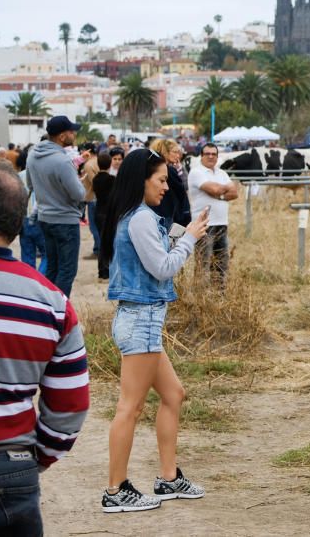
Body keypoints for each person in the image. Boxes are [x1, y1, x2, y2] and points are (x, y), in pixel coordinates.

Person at [98, 149, 209, 513]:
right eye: (161, 179)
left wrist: (181, 234)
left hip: (142, 322)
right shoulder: (141, 219)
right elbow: (162, 268)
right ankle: (116, 491)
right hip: (141, 321)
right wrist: (190, 237)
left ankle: (167, 477)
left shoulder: (135, 215)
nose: (166, 186)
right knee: (129, 407)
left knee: (174, 394)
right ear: (141, 179)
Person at [0, 160, 90, 535]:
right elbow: (70, 407)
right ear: (20, 223)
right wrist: (30, 462)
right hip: (11, 466)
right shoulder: (51, 302)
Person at [26, 116, 87, 296]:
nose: (74, 134)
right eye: (71, 131)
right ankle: (59, 312)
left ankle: (47, 308)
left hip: (45, 218)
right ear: (62, 136)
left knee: (52, 267)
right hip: (65, 221)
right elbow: (79, 194)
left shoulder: (32, 156)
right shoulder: (62, 160)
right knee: (67, 270)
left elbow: (30, 186)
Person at [188, 143, 238, 287]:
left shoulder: (221, 173)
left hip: (222, 223)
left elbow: (234, 193)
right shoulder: (197, 172)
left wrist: (220, 195)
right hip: (204, 225)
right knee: (203, 263)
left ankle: (218, 296)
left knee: (221, 263)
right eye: (207, 154)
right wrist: (223, 189)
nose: (211, 156)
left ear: (217, 156)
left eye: (214, 154)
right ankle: (200, 298)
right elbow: (215, 189)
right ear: (201, 156)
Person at [16, 147, 48, 273]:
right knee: (48, 255)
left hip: (24, 219)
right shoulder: (46, 175)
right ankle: (39, 282)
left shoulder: (18, 176)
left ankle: (29, 285)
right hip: (41, 218)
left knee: (27, 256)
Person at [149, 138, 191, 231]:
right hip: (166, 214)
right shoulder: (168, 171)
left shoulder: (153, 169)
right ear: (165, 152)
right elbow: (182, 191)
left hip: (156, 212)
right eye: (175, 152)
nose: (178, 155)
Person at [93, 151, 116, 280]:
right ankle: (107, 269)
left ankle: (101, 270)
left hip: (98, 211)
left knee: (102, 242)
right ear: (110, 163)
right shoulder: (112, 179)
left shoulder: (95, 179)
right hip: (108, 213)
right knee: (109, 242)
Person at [80, 142, 102, 259]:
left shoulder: (88, 165)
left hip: (93, 197)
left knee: (94, 227)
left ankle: (98, 250)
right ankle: (97, 248)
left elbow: (95, 182)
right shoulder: (99, 161)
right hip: (100, 198)